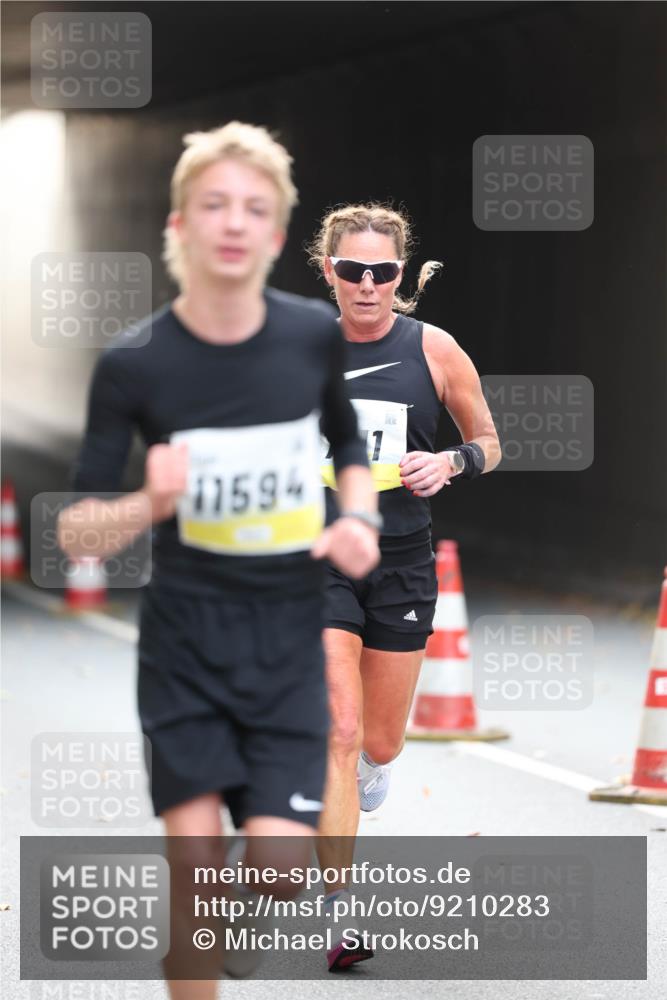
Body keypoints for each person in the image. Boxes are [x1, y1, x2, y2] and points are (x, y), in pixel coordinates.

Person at [57, 124, 380, 998]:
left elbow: (349, 447)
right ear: (180, 226)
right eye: (214, 206)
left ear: (276, 235)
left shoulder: (311, 337)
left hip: (286, 641)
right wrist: (147, 502)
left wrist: (357, 517)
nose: (234, 223)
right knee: (194, 862)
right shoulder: (135, 363)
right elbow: (77, 533)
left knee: (276, 867)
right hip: (186, 648)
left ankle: (212, 924)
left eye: (255, 209)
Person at [307, 203, 501, 971]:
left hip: (402, 561)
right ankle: (339, 918)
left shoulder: (434, 349)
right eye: (350, 270)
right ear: (328, 272)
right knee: (339, 729)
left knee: (378, 743)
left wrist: (450, 463)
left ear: (398, 275)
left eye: (380, 271)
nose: (365, 284)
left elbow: (488, 441)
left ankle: (368, 777)